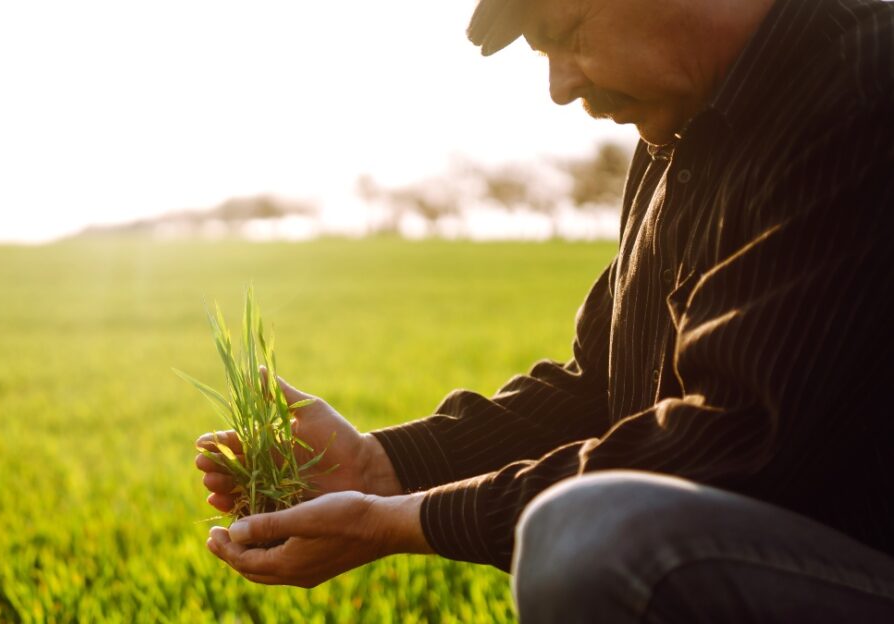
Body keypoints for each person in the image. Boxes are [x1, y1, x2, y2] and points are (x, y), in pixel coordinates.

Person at [196, 0, 894, 620]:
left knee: (595, 540)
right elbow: (600, 390)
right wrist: (381, 465)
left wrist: (402, 522)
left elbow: (741, 437)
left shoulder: (864, 88)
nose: (560, 89)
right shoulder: (678, 137)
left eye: (567, 34)